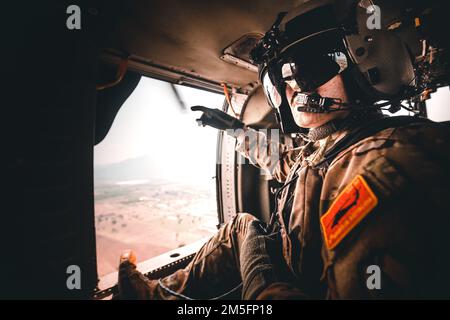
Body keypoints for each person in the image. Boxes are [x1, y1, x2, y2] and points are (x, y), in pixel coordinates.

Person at [117, 0, 450, 299]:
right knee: (241, 227)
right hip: (293, 268)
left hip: (288, 284)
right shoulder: (325, 148)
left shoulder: (379, 165)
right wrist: (235, 129)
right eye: (281, 79)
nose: (292, 90)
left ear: (363, 63)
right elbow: (280, 161)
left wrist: (261, 283)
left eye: (307, 68)